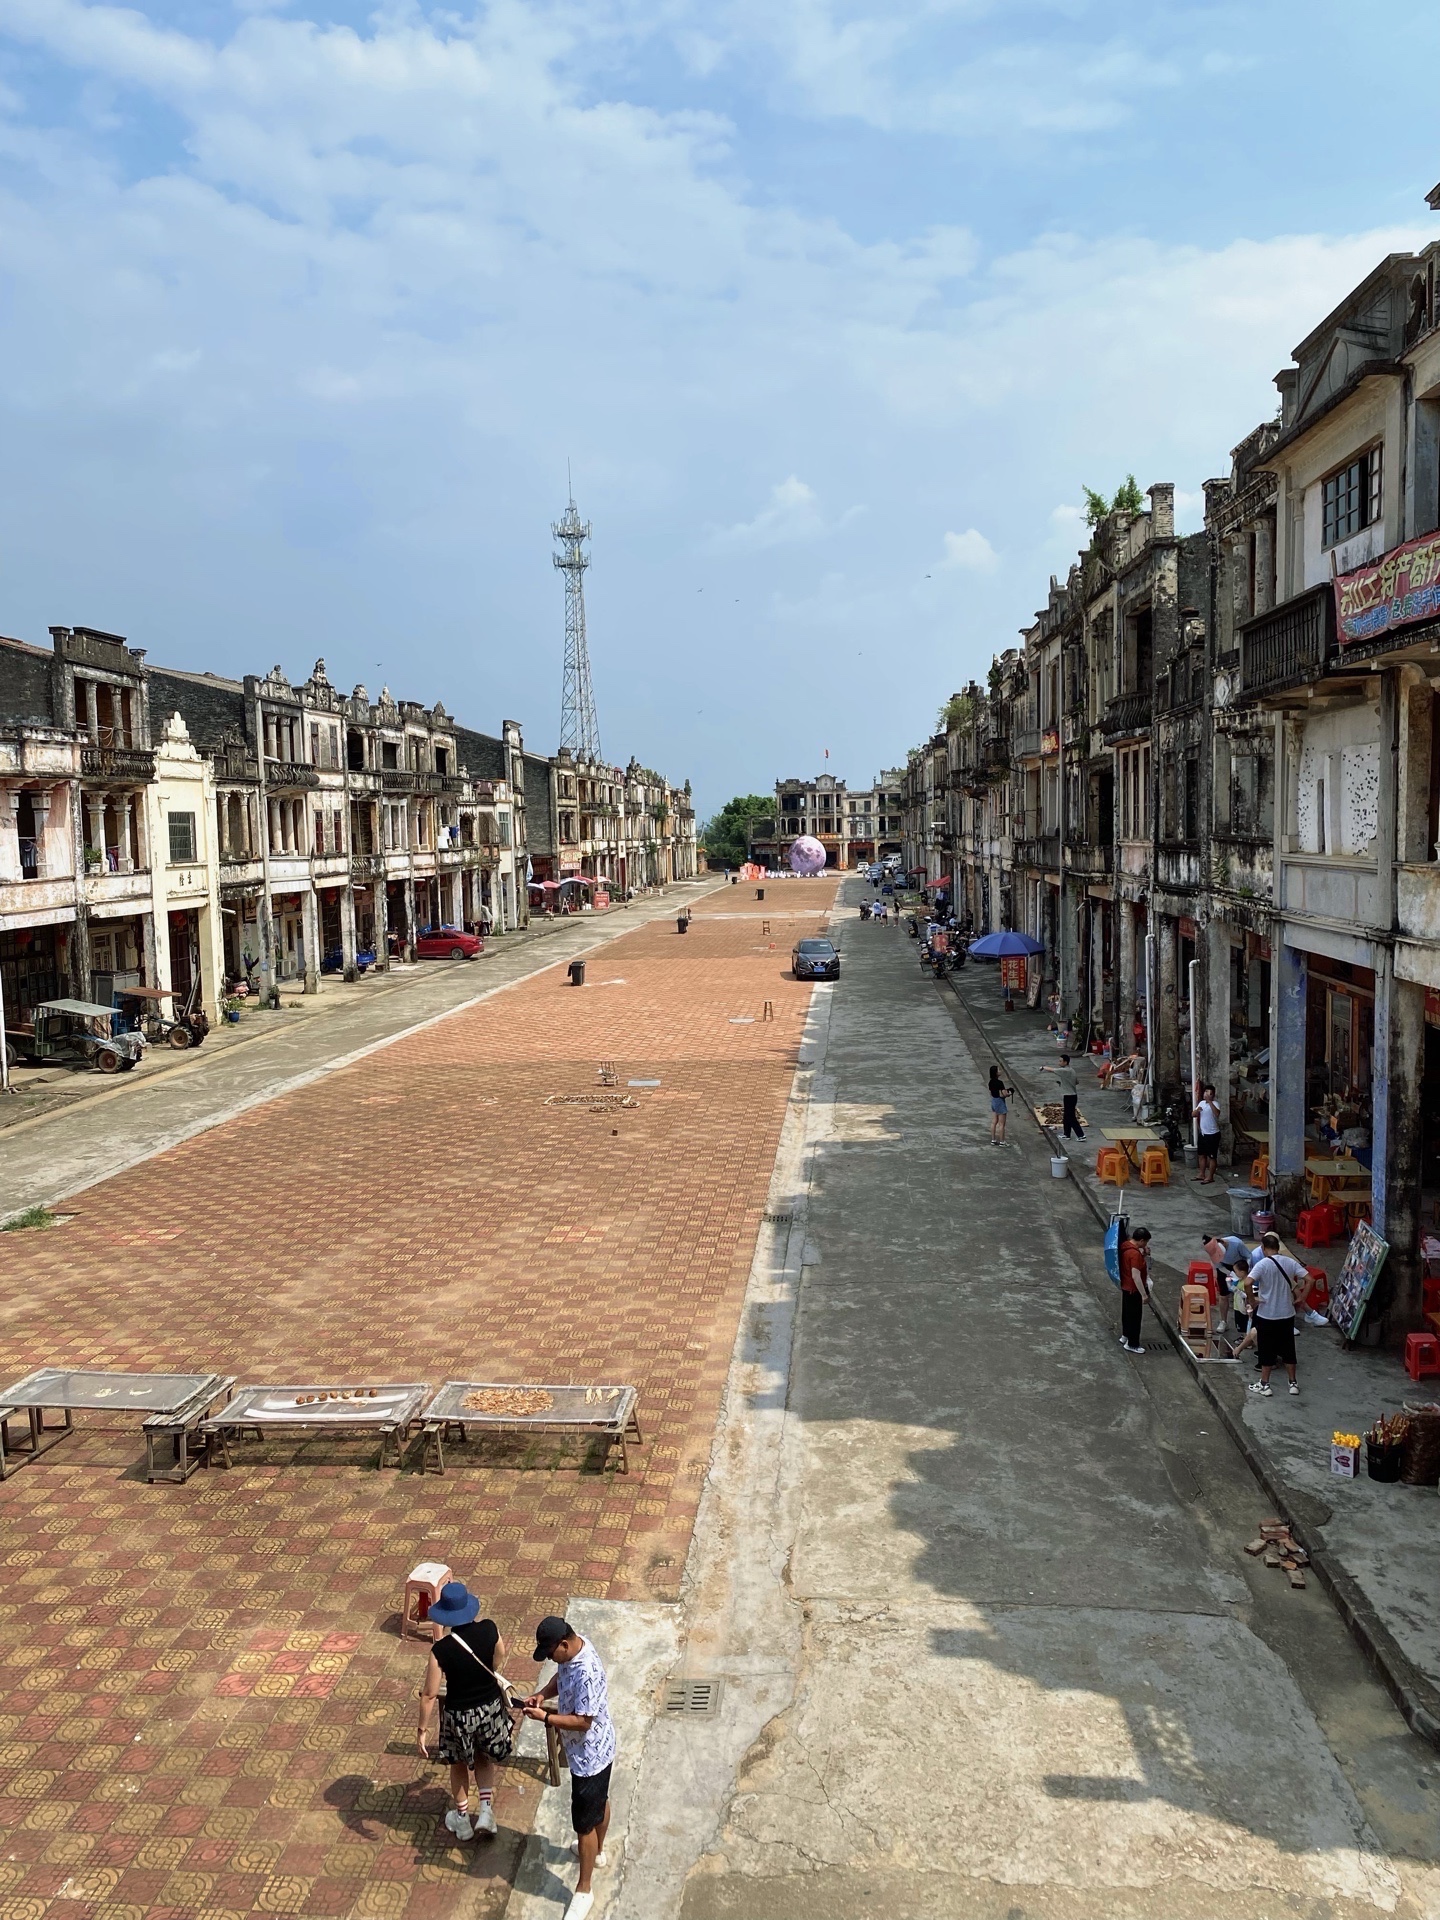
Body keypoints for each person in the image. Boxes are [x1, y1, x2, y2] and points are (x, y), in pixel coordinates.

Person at [522, 1618, 617, 1920]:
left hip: (590, 1757)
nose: (551, 1659)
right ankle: (597, 1853)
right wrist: (543, 1695)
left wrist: (546, 1718)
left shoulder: (587, 1671)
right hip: (598, 1748)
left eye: (551, 1654)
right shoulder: (576, 1647)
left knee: (583, 1826)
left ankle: (584, 1890)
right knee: (600, 1802)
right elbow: (561, 1677)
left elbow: (583, 1721)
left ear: (564, 1644)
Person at [416, 1581, 517, 1841]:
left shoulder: (441, 1650)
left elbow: (429, 1693)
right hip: (490, 1708)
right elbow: (498, 1658)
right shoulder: (490, 1629)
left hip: (459, 1715)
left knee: (459, 1764)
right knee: (484, 1757)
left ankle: (462, 1820)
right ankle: (486, 1812)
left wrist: (422, 1730)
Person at [1245, 1232, 1310, 1397]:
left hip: (1267, 1314)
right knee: (1288, 1348)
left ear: (1263, 1248)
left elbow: (1247, 1282)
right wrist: (1302, 1297)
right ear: (1278, 1247)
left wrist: (1252, 1300)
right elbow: (1310, 1279)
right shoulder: (1290, 1262)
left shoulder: (1262, 1264)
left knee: (1266, 1349)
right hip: (1287, 1314)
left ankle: (1265, 1384)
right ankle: (1293, 1383)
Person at [1202, 1231, 1252, 1331]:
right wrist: (1231, 1274)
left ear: (1222, 1243)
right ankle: (1223, 1321)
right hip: (1225, 1269)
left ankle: (1248, 1319)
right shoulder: (1212, 1253)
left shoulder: (1236, 1243)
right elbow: (1219, 1266)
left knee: (1245, 1294)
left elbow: (1249, 1256)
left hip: (1241, 1266)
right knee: (1223, 1295)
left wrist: (1246, 1271)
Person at [1118, 1225, 1152, 1354]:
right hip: (1134, 1289)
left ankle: (1125, 1335)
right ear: (1141, 1240)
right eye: (1145, 1242)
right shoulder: (1135, 1254)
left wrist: (1143, 1253)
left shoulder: (1125, 1246)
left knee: (1127, 1313)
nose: (1146, 1245)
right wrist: (1144, 1294)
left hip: (1126, 1286)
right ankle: (1132, 1343)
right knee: (1135, 1317)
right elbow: (1136, 1275)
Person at [1042, 1053, 1085, 1140]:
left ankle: (1081, 1135)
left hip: (1070, 1096)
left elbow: (1052, 1070)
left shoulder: (1065, 1071)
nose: (1059, 1063)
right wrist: (1064, 1083)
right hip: (1071, 1095)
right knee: (1066, 1116)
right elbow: (1076, 1082)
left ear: (1065, 1062)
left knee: (1071, 1116)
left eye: (1060, 1061)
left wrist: (1043, 1067)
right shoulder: (1072, 1070)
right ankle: (1066, 1134)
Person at [1193, 1083, 1222, 1184]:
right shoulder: (1201, 1103)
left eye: (1209, 1093)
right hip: (1203, 1133)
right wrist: (1197, 1111)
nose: (1206, 1094)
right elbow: (1193, 1114)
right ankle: (1202, 1174)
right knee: (1201, 1155)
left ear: (1212, 1095)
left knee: (1212, 1157)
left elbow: (1217, 1113)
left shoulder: (1215, 1103)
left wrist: (1210, 1102)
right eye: (1205, 1092)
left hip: (1213, 1134)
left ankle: (1210, 1177)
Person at [987, 1064, 1013, 1144]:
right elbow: (1004, 1094)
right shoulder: (1000, 1083)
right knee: (1001, 1124)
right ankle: (1002, 1141)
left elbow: (991, 1092)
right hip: (1000, 1102)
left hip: (994, 1101)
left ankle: (993, 1140)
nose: (1000, 1071)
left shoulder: (990, 1082)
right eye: (999, 1070)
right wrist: (1009, 1093)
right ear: (996, 1073)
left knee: (994, 1122)